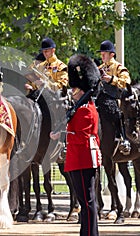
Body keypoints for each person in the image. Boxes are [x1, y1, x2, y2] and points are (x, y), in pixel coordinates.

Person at [50, 54, 101, 236]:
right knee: (86, 202)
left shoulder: (86, 110)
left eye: (75, 90)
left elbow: (82, 136)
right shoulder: (80, 109)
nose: (72, 92)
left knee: (87, 202)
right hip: (79, 158)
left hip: (82, 159)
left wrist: (63, 133)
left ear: (82, 91)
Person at [96, 40, 131, 155]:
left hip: (115, 98)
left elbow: (126, 82)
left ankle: (122, 138)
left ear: (112, 54)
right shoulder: (99, 68)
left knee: (116, 112)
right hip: (99, 98)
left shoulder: (119, 67)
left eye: (104, 53)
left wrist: (111, 79)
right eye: (101, 53)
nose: (102, 56)